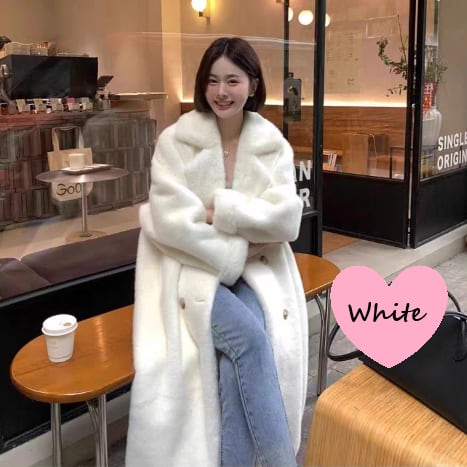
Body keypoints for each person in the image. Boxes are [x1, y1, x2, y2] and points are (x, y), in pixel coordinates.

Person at [125, 36, 308, 467]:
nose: (221, 92)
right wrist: (243, 238)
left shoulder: (271, 144)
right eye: (212, 80)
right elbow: (172, 225)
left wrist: (219, 211)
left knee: (234, 362)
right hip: (188, 271)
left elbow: (285, 221)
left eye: (232, 80)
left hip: (253, 274)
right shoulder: (176, 141)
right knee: (250, 341)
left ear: (253, 84)